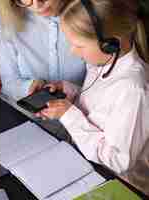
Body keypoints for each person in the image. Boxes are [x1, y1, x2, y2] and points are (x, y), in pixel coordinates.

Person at [37, 0, 149, 174]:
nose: (73, 51)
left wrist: (69, 116)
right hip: (83, 161)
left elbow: (117, 161)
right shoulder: (102, 62)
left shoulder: (133, 89)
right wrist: (71, 92)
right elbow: (104, 109)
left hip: (117, 179)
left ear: (110, 43)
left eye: (79, 45)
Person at [0, 0, 86, 100]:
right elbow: (9, 83)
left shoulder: (89, 14)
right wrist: (28, 87)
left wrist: (72, 91)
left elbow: (101, 86)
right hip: (25, 112)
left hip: (83, 110)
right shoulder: (6, 18)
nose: (37, 5)